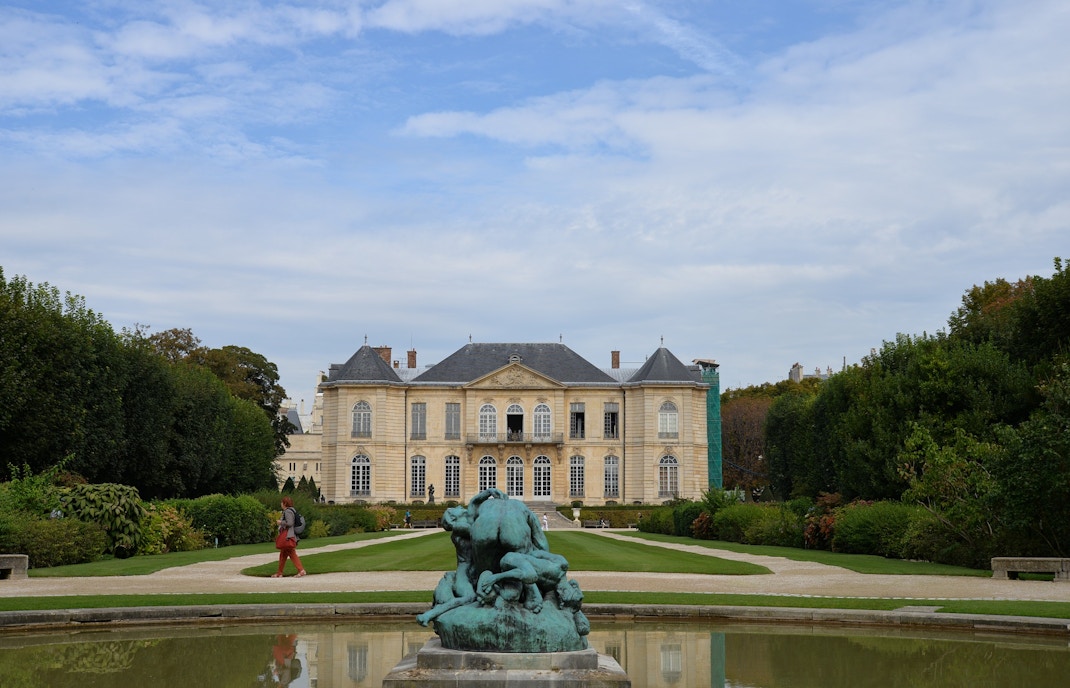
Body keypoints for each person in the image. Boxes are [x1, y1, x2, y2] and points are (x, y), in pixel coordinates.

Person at [273, 496, 306, 578]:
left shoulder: (288, 511)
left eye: (282, 502)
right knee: (283, 554)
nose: (281, 504)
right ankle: (279, 573)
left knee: (291, 553)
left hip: (288, 535)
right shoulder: (292, 510)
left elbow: (290, 523)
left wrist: (281, 522)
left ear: (284, 503)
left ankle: (301, 570)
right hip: (289, 535)